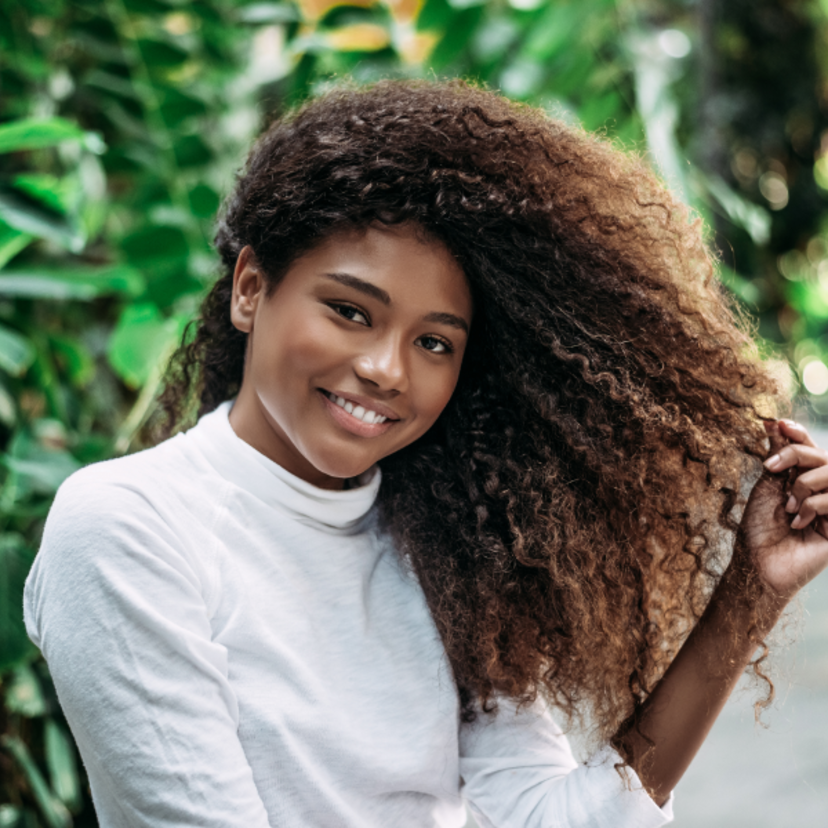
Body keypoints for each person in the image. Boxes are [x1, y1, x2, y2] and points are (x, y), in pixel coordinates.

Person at [23, 79, 828, 828]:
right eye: (348, 310)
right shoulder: (129, 528)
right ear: (250, 289)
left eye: (435, 342)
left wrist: (749, 594)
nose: (386, 369)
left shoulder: (441, 547)